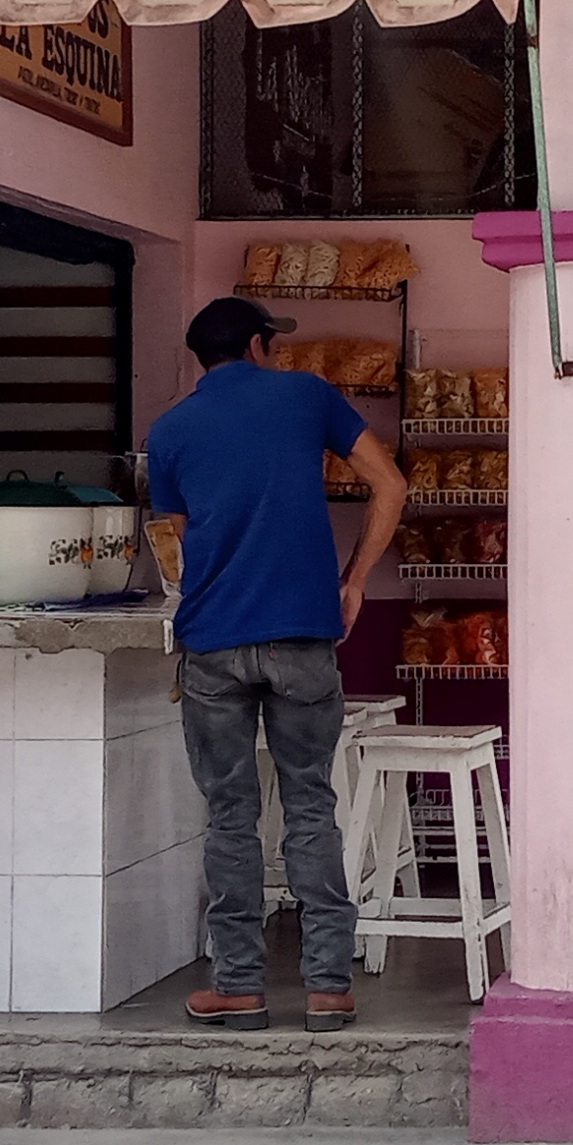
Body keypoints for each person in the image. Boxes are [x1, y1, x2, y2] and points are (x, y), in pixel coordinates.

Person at [145, 297, 407, 1033]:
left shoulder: (169, 430)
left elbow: (180, 537)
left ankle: (238, 986)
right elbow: (389, 484)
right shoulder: (307, 395)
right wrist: (352, 581)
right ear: (260, 345)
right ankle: (327, 986)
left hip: (214, 640)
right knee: (309, 804)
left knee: (230, 817)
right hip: (301, 635)